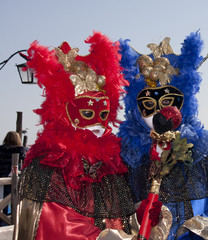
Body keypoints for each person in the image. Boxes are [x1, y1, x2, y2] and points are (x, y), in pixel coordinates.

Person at [15, 32, 170, 240]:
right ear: (64, 111)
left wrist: (142, 215)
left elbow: (118, 219)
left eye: (104, 113)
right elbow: (56, 227)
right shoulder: (49, 165)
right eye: (88, 113)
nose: (98, 122)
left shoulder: (110, 164)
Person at [118, 31, 208, 240]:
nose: (157, 113)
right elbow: (116, 212)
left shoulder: (204, 150)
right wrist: (137, 218)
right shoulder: (126, 156)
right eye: (148, 104)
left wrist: (194, 235)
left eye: (167, 101)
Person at [0, 131, 26, 225]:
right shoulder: (20, 150)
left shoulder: (1, 149)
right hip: (12, 179)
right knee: (13, 201)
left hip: (1, 177)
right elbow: (25, 162)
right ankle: (10, 223)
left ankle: (3, 222)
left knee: (2, 204)